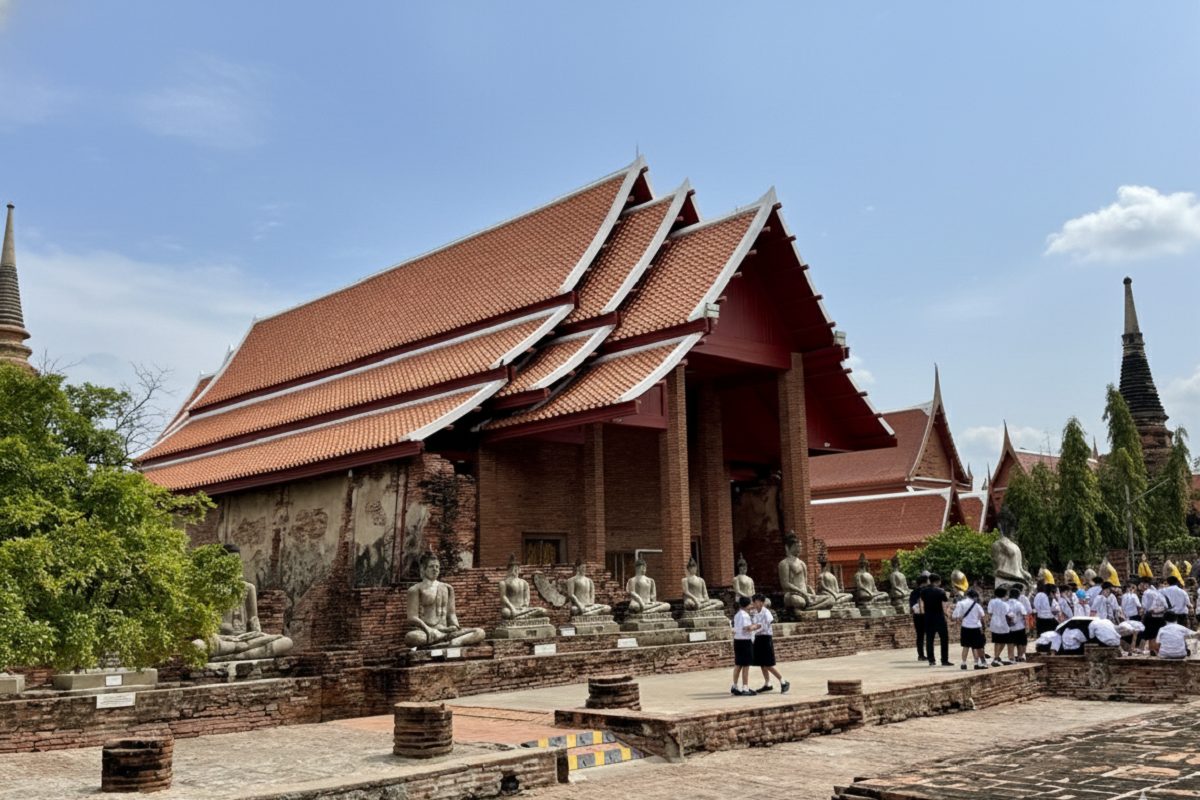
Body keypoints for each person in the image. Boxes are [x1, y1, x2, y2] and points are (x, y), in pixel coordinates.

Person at [749, 594, 789, 694]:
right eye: (753, 601)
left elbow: (765, 626)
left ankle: (783, 681)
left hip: (765, 638)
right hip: (758, 638)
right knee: (762, 664)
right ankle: (767, 684)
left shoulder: (766, 613)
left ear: (762, 602)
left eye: (756, 601)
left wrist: (755, 627)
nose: (754, 603)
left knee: (768, 664)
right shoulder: (754, 612)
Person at [919, 573, 951, 666]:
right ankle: (944, 660)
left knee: (929, 640)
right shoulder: (940, 591)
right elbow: (945, 600)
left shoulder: (923, 591)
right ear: (938, 581)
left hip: (928, 617)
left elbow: (922, 602)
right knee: (944, 639)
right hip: (939, 617)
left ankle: (931, 660)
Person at [952, 588, 988, 670]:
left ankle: (963, 663)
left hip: (965, 627)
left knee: (966, 646)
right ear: (975, 596)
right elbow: (982, 616)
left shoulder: (960, 603)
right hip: (976, 628)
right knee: (977, 646)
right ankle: (976, 663)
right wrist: (983, 626)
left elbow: (955, 616)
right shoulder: (977, 605)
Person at [730, 596, 757, 696]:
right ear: (747, 605)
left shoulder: (737, 614)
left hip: (738, 640)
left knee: (738, 664)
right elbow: (747, 628)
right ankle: (745, 687)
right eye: (750, 604)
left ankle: (735, 685)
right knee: (746, 665)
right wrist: (756, 626)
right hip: (745, 641)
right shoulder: (745, 615)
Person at [1141, 576, 1166, 656]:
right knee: (1158, 633)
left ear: (1146, 585)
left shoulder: (1146, 592)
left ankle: (1152, 650)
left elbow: (1144, 606)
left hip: (1150, 615)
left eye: (1142, 584)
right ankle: (1158, 650)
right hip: (1160, 616)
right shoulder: (1157, 592)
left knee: (1150, 635)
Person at [987, 585, 1011, 666]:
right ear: (1004, 594)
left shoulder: (991, 601)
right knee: (1003, 641)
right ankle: (996, 657)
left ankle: (996, 657)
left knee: (997, 641)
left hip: (994, 623)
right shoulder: (1005, 604)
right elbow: (1008, 614)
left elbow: (989, 611)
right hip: (1003, 624)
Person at [909, 574, 929, 662]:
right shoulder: (928, 591)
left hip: (917, 616)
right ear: (925, 582)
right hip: (927, 615)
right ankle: (930, 654)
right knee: (929, 635)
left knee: (920, 636)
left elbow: (912, 606)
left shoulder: (913, 592)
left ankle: (921, 655)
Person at [1007, 584, 1029, 663]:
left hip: (1009, 627)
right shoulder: (1019, 604)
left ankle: (1011, 657)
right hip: (1020, 626)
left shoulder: (1006, 603)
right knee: (1020, 642)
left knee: (1010, 642)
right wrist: (1027, 626)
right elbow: (1025, 615)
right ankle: (1020, 656)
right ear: (1018, 596)